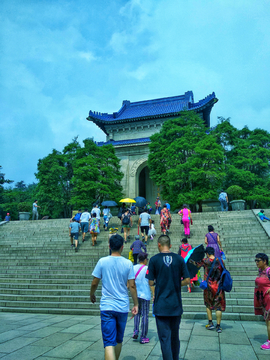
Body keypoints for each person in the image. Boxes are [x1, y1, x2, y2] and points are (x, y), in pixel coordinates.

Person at [90, 234, 138, 360]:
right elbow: (132, 286)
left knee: (108, 343)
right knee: (118, 340)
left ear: (109, 246)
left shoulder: (102, 261)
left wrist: (92, 294)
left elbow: (95, 282)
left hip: (107, 306)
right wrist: (136, 304)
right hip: (122, 307)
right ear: (122, 247)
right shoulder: (128, 263)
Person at [146, 235, 190, 360]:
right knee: (175, 336)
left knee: (165, 338)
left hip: (161, 305)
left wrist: (156, 288)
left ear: (159, 244)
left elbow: (150, 282)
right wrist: (176, 283)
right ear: (170, 245)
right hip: (175, 304)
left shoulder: (154, 260)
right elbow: (187, 280)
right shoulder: (179, 259)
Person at [190, 246, 226, 333]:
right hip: (218, 286)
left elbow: (196, 264)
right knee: (218, 307)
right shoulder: (220, 260)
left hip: (208, 287)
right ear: (213, 252)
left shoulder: (205, 261)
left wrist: (191, 261)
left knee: (208, 304)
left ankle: (210, 323)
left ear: (207, 253)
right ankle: (218, 326)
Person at [133, 252, 151, 344]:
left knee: (137, 313)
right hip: (145, 295)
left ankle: (135, 330)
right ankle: (143, 336)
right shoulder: (147, 269)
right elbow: (151, 282)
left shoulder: (133, 268)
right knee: (144, 315)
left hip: (136, 294)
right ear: (144, 260)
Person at [254, 253, 270, 350]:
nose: (256, 262)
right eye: (255, 260)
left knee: (269, 321)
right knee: (267, 321)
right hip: (263, 299)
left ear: (264, 261)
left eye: (258, 260)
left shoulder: (269, 270)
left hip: (269, 299)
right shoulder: (261, 271)